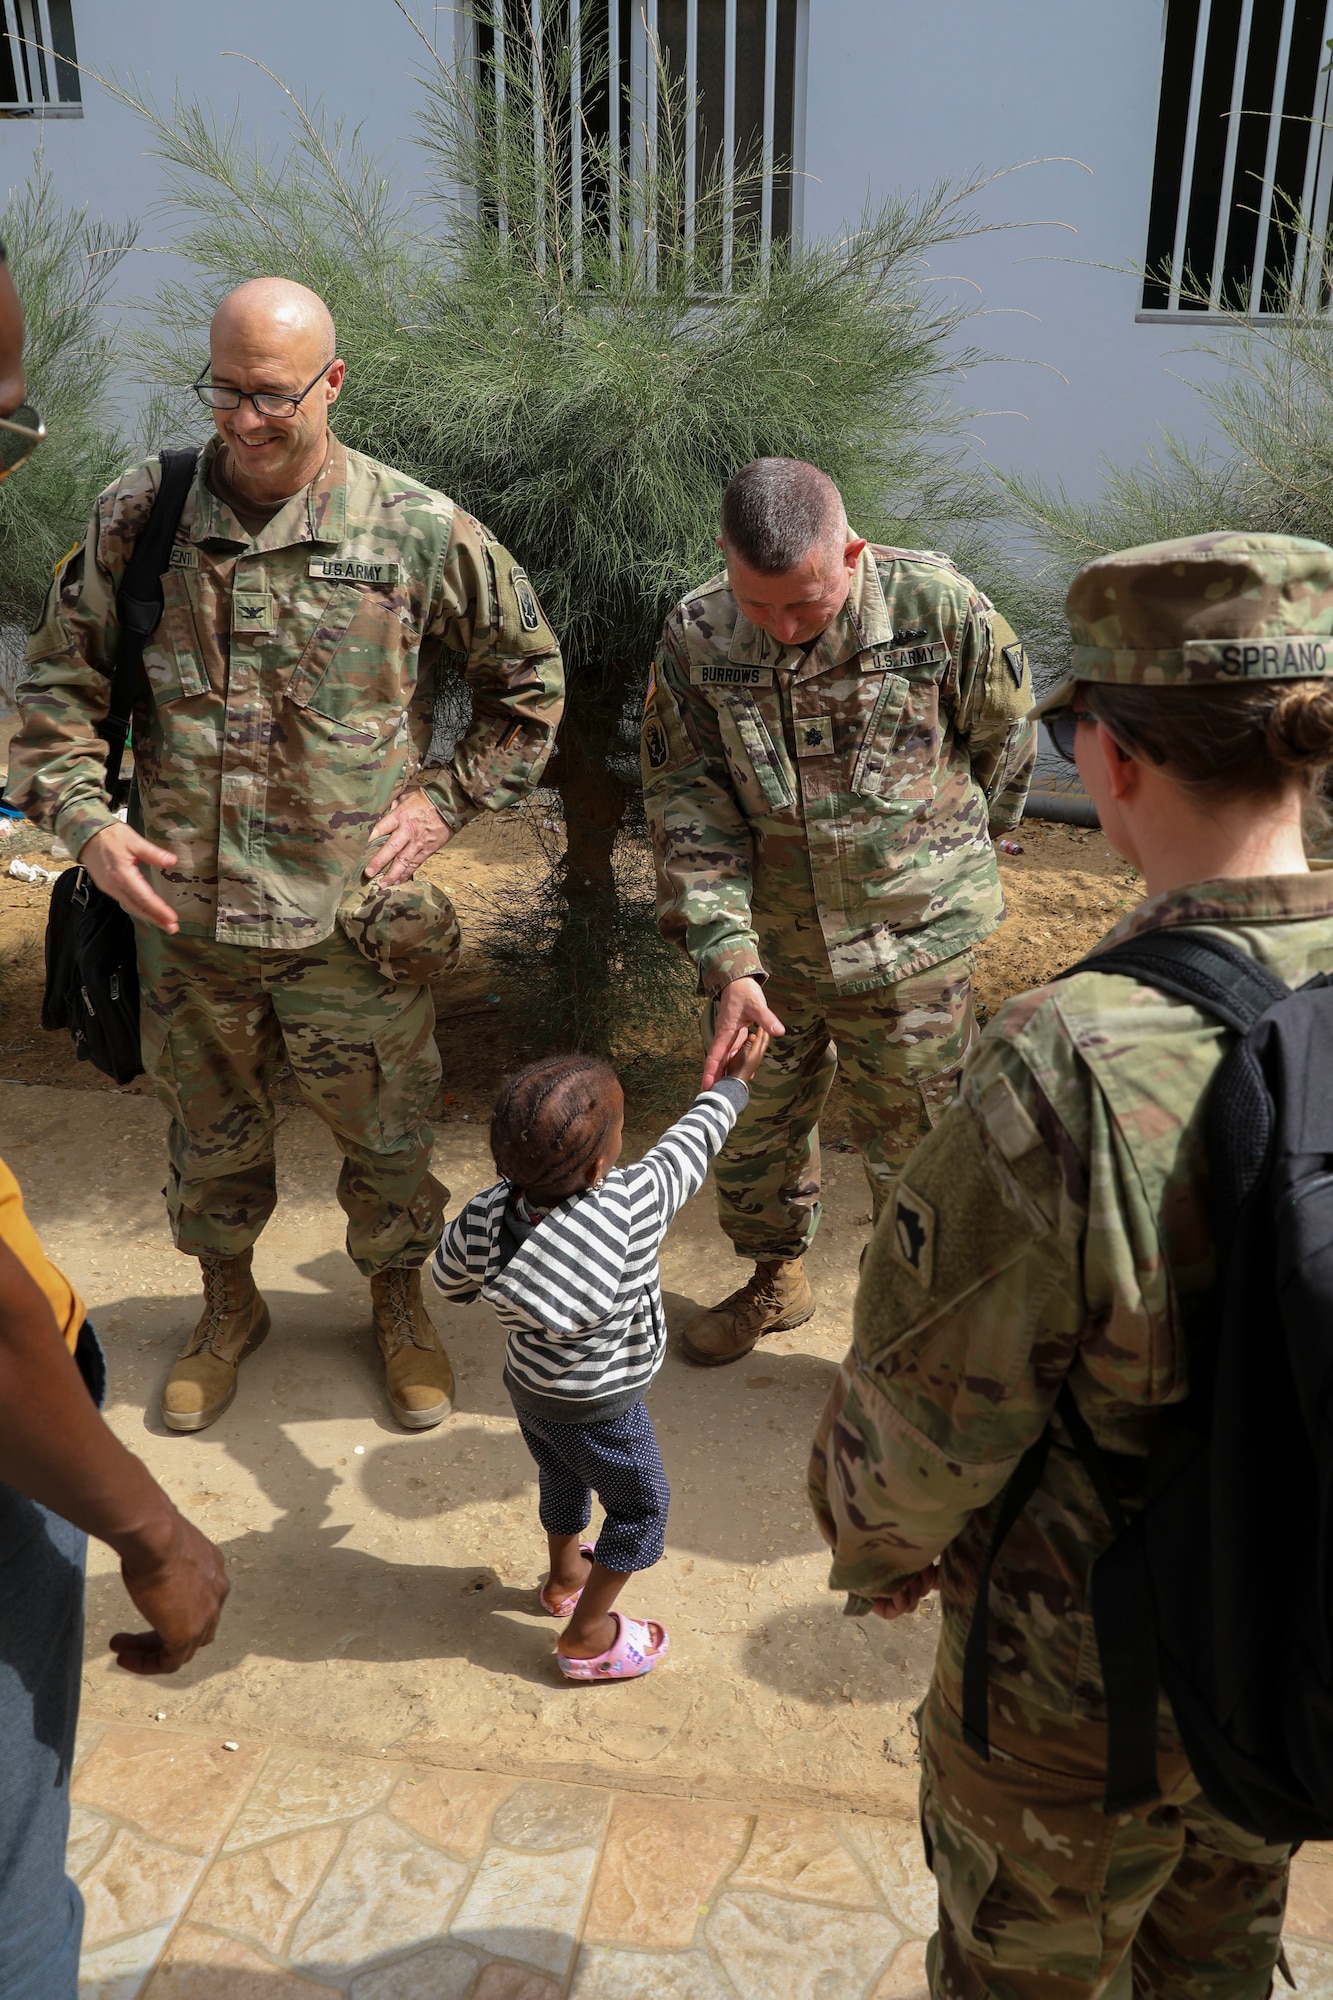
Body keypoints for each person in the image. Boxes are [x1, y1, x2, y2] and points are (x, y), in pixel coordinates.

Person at [807, 529, 1333, 1998]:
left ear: (1108, 760)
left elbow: (915, 1445)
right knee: (1222, 1953)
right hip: (1286, 1634)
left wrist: (882, 1550)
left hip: (1072, 1693)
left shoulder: (1065, 1058)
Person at [9, 277, 565, 1436]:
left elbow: (528, 685)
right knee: (208, 1144)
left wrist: (446, 801)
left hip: (350, 931)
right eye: (224, 390)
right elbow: (58, 690)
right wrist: (87, 823)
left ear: (332, 383)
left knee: (390, 1138)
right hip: (186, 923)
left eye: (271, 395)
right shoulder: (140, 513)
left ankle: (398, 1304)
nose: (244, 420)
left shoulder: (415, 526)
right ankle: (227, 1307)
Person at [642, 456, 1034, 1366]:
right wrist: (727, 953)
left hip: (912, 948)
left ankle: (909, 1326)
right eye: (760, 604)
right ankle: (774, 1281)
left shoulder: (937, 609)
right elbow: (685, 796)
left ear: (849, 553)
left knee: (922, 1156)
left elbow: (1003, 741)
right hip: (764, 953)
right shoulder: (696, 633)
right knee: (754, 1138)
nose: (780, 628)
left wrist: (944, 858)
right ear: (723, 560)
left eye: (805, 604)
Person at [430, 1032, 769, 1677]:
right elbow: (689, 1146)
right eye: (617, 1136)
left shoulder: (486, 1212)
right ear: (596, 1167)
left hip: (530, 1391)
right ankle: (586, 1633)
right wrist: (734, 1084)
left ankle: (562, 1580)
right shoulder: (628, 1204)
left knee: (561, 1472)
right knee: (642, 1507)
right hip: (607, 1405)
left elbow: (449, 1282)